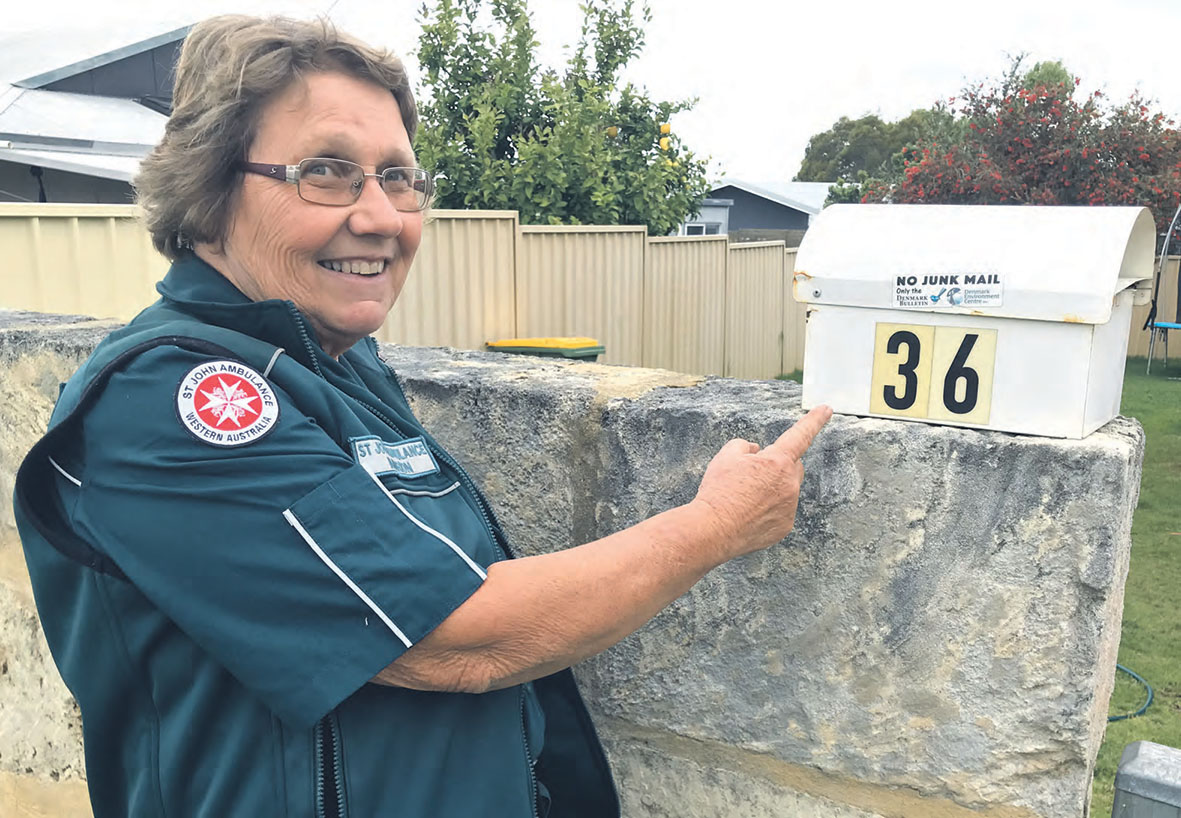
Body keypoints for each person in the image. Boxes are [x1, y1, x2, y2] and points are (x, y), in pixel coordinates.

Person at [13, 14, 832, 818]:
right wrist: (716, 525)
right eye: (326, 172)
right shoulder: (169, 403)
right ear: (211, 187)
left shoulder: (332, 361)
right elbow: (451, 640)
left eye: (397, 177)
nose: (379, 218)